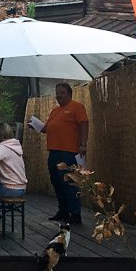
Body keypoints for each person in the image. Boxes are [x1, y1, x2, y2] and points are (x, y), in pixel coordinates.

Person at [38, 82, 88, 225]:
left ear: (69, 94)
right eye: (57, 93)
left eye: (62, 92)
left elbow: (84, 124)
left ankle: (75, 214)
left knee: (69, 183)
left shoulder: (76, 107)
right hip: (53, 151)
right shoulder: (55, 111)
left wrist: (83, 144)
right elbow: (47, 129)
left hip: (68, 152)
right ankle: (63, 211)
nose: (59, 95)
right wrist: (36, 126)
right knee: (56, 182)